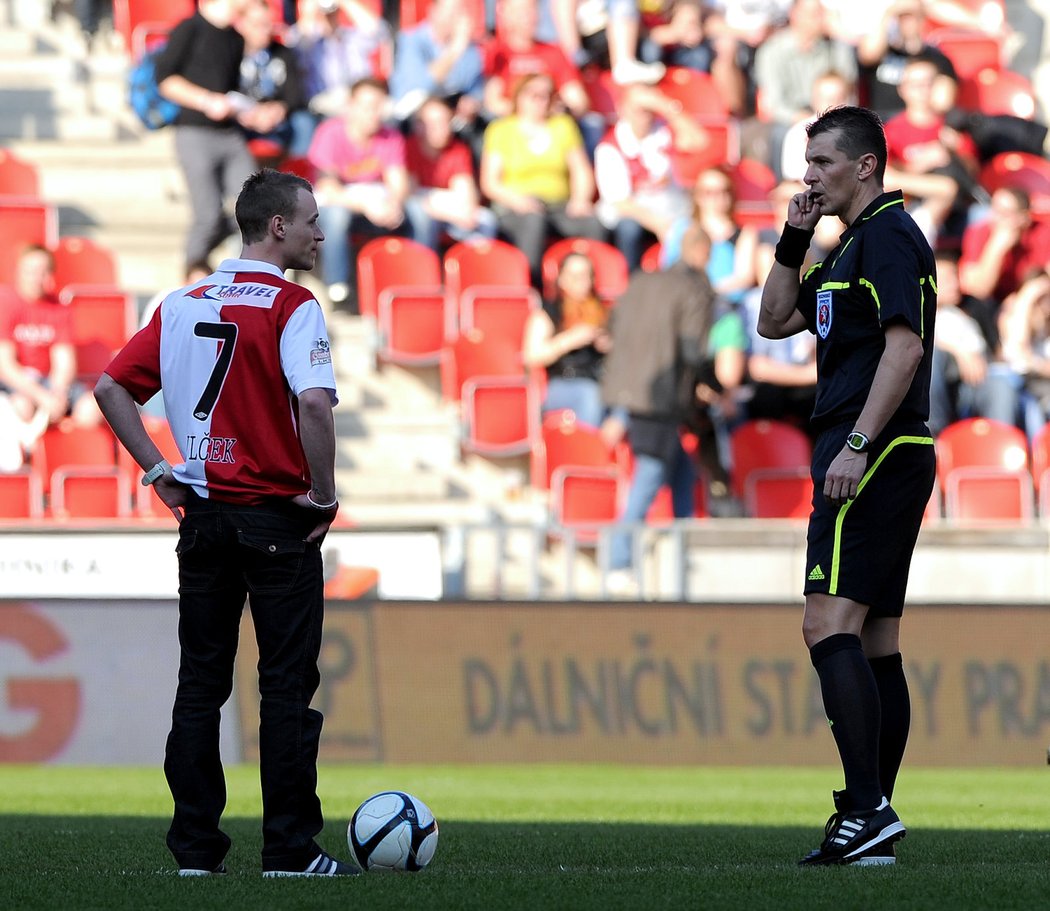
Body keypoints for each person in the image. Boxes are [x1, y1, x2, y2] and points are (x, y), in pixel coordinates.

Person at [93, 169, 356, 878]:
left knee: (200, 685)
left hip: (203, 517)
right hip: (276, 516)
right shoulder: (292, 304)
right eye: (310, 220)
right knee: (284, 689)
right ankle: (290, 850)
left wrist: (158, 467)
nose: (319, 232)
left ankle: (196, 854)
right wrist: (325, 495)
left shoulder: (182, 302)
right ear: (278, 226)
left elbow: (110, 385)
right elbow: (314, 406)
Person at [758, 105, 937, 866]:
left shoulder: (891, 238)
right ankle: (876, 815)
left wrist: (859, 442)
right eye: (807, 162)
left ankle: (864, 806)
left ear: (866, 165)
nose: (810, 175)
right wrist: (794, 238)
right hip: (875, 450)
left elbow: (907, 346)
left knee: (824, 622)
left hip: (873, 449)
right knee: (875, 638)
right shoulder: (845, 246)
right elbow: (772, 320)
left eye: (824, 161)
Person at [601, 223, 715, 581]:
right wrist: (711, 386)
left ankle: (682, 555)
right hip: (661, 396)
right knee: (649, 474)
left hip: (625, 389)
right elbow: (694, 351)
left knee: (682, 471)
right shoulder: (695, 288)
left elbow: (611, 329)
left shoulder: (640, 281)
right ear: (701, 253)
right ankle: (618, 561)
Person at [154, 0, 257, 273]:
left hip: (229, 133)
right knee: (208, 216)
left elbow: (231, 88)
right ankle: (191, 277)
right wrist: (206, 101)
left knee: (256, 208)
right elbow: (165, 79)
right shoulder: (189, 29)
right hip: (194, 131)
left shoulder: (235, 38)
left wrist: (244, 110)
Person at [480, 72, 606, 289]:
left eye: (545, 95)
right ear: (519, 96)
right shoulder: (501, 129)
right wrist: (516, 200)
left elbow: (581, 170)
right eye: (533, 95)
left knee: (593, 225)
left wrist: (580, 199)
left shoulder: (563, 126)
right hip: (517, 206)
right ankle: (534, 289)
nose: (540, 101)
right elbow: (490, 182)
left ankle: (592, 289)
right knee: (532, 222)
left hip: (558, 206)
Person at [308, 77, 409, 307]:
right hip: (335, 207)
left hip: (376, 207)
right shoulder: (330, 133)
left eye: (379, 106)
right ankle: (337, 287)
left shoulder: (390, 136)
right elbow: (328, 187)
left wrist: (395, 204)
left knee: (416, 213)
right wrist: (366, 205)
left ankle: (416, 279)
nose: (374, 113)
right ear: (351, 106)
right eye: (368, 106)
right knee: (336, 216)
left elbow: (399, 181)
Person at [0, 245, 100, 438]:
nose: (37, 277)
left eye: (43, 271)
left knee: (91, 408)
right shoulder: (6, 303)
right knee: (22, 407)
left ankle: (72, 458)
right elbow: (5, 366)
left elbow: (64, 363)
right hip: (17, 384)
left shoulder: (58, 309)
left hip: (47, 382)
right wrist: (41, 396)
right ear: (20, 272)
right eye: (31, 271)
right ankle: (29, 464)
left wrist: (57, 393)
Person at [592, 83, 693, 273]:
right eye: (638, 108)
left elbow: (697, 141)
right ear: (623, 109)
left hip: (671, 208)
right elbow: (621, 203)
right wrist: (659, 224)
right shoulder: (610, 146)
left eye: (649, 109)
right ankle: (632, 279)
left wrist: (665, 106)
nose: (645, 114)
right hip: (634, 214)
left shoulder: (663, 133)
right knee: (629, 229)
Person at [523, 251, 611, 428]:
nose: (580, 281)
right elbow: (531, 356)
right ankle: (587, 448)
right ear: (562, 279)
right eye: (574, 275)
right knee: (591, 395)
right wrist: (568, 340)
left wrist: (607, 344)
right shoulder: (548, 312)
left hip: (601, 379)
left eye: (585, 275)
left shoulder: (602, 311)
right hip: (564, 382)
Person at [404, 96, 498, 252]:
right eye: (433, 123)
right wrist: (452, 213)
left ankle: (477, 270)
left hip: (448, 208)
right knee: (420, 215)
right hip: (425, 210)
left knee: (486, 220)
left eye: (445, 122)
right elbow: (411, 194)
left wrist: (464, 212)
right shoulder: (409, 148)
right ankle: (422, 269)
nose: (441, 128)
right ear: (419, 125)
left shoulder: (458, 150)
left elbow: (466, 194)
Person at [287, 0, 392, 120]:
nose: (328, 17)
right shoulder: (310, 41)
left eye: (332, 13)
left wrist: (346, 2)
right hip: (323, 104)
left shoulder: (352, 37)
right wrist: (309, 12)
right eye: (324, 14)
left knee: (388, 112)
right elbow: (295, 43)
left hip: (358, 103)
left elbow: (379, 32)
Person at [236, 0, 312, 158]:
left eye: (268, 24)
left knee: (303, 122)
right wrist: (246, 113)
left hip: (277, 117)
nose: (265, 30)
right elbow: (223, 90)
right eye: (258, 24)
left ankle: (298, 173)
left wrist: (279, 109)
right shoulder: (230, 53)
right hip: (243, 117)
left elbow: (295, 94)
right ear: (241, 24)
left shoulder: (283, 53)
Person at [389, 0, 486, 125]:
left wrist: (470, 102)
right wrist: (455, 50)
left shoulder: (468, 48)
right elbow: (420, 84)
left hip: (453, 120)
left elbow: (475, 88)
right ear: (433, 11)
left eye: (459, 12)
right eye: (450, 12)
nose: (455, 18)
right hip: (412, 120)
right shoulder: (411, 40)